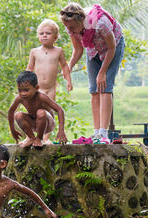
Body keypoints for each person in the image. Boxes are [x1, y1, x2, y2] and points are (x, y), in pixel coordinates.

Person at [60, 2, 125, 142]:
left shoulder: (100, 23)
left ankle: (104, 134)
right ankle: (96, 133)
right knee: (94, 90)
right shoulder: (71, 27)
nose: (69, 30)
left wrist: (102, 72)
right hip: (93, 49)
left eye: (71, 27)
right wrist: (69, 65)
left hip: (113, 47)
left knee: (105, 86)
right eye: (67, 27)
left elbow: (112, 47)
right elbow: (78, 49)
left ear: (80, 21)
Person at [7, 71, 68, 148]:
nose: (23, 93)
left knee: (40, 112)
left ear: (36, 88)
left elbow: (59, 110)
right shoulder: (20, 98)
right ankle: (32, 138)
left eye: (26, 90)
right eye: (20, 90)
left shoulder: (41, 97)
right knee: (18, 115)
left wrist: (61, 131)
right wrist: (12, 130)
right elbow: (11, 111)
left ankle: (39, 138)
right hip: (34, 123)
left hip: (47, 124)